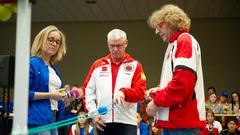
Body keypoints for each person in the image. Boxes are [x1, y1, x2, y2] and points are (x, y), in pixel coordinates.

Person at [145, 4, 206, 135]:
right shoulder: (174, 44)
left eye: (159, 26)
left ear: (172, 21)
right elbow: (179, 80)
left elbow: (181, 85)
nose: (156, 31)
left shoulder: (184, 41)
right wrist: (159, 90)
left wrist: (157, 101)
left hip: (182, 122)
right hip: (175, 122)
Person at [83, 28, 146, 135]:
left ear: (126, 44)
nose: (115, 49)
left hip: (127, 122)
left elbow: (140, 92)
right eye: (112, 45)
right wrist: (93, 114)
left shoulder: (135, 65)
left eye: (119, 45)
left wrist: (123, 92)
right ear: (107, 44)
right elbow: (87, 92)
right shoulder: (97, 65)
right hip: (102, 121)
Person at [28, 25, 67, 135]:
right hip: (38, 118)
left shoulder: (53, 69)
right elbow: (23, 94)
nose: (54, 44)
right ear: (41, 40)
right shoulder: (33, 63)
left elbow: (57, 96)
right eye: (50, 40)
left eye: (57, 42)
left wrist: (67, 98)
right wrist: (50, 95)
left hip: (54, 117)